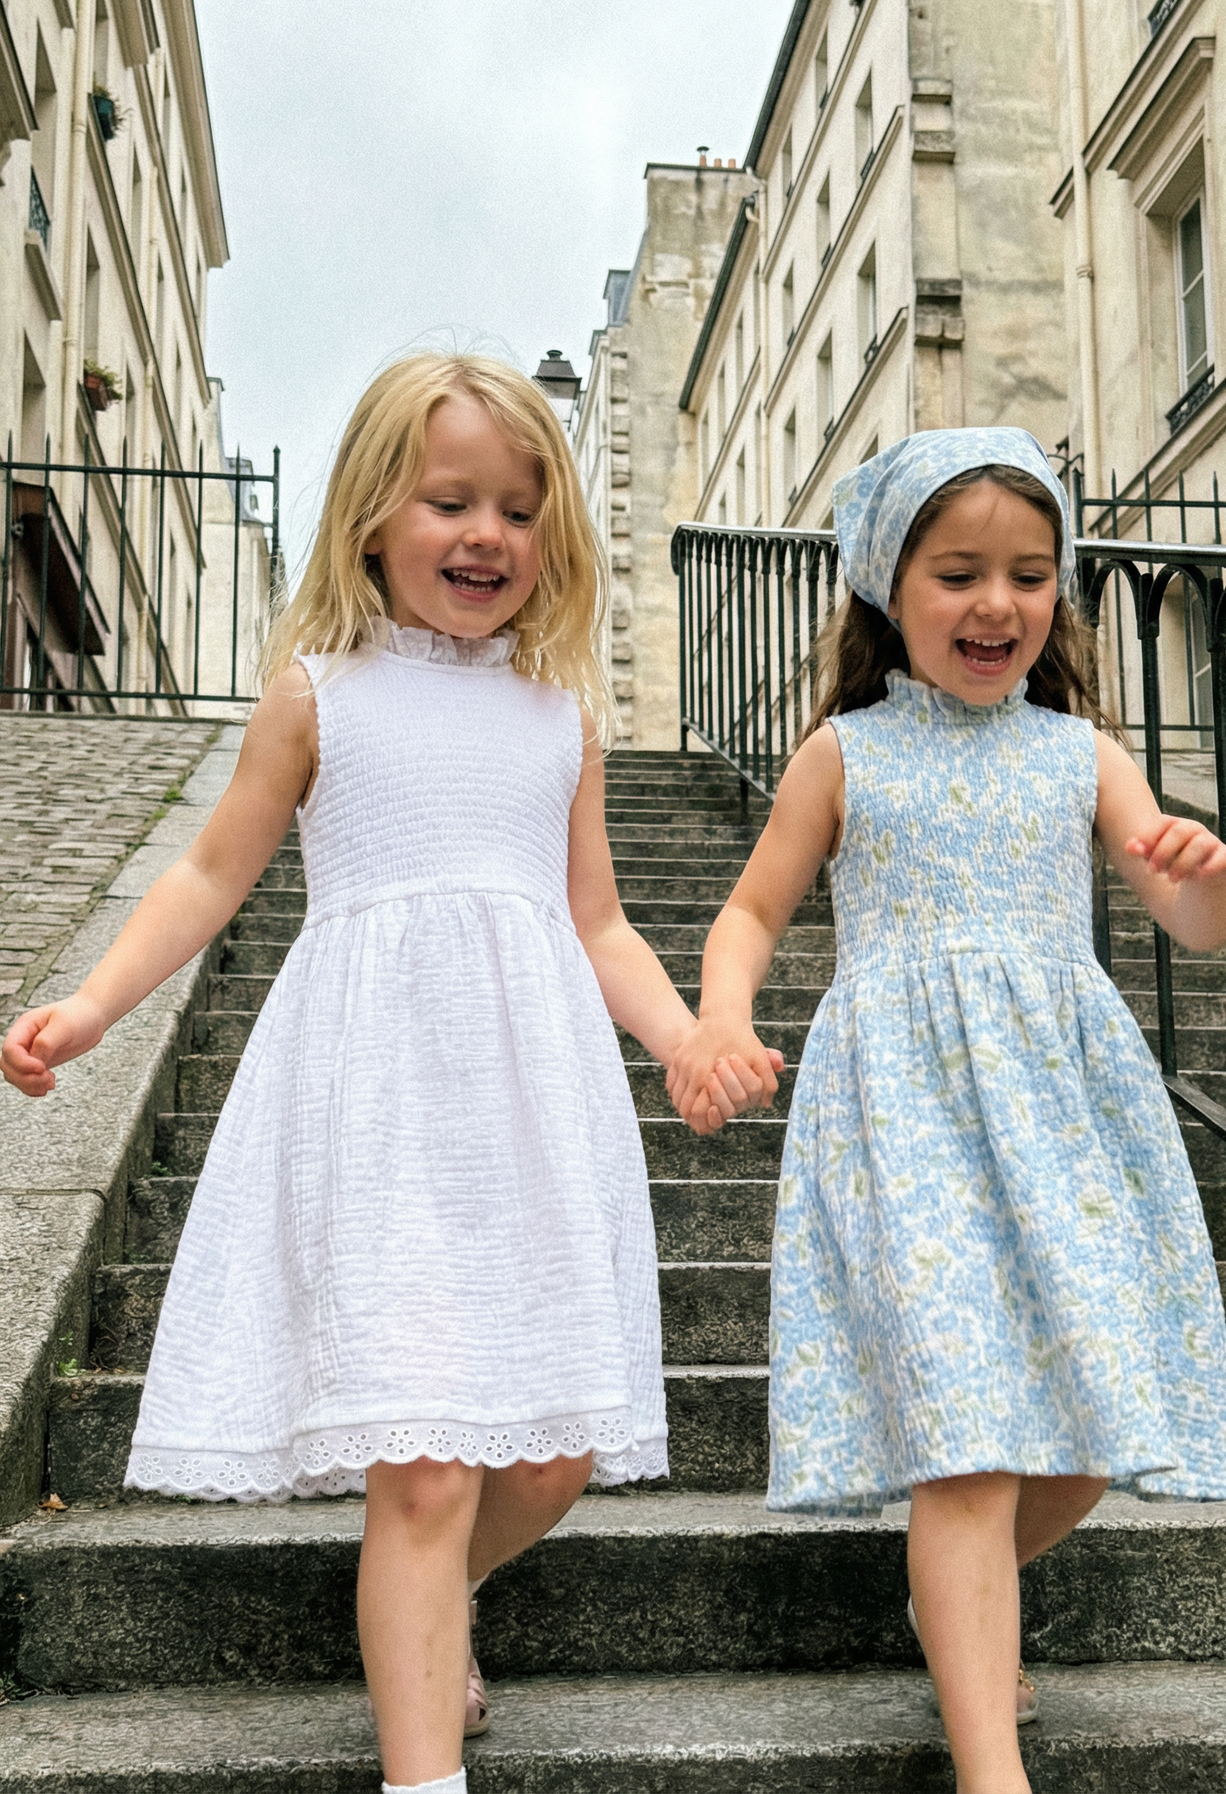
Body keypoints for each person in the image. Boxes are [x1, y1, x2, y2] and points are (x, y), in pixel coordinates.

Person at [2, 353, 727, 1794]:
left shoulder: (561, 715)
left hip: (529, 1116)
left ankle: (433, 1601)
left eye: (521, 509)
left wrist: (687, 1035)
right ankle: (422, 1766)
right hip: (381, 1107)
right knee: (430, 1470)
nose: (488, 534)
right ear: (371, 517)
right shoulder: (318, 695)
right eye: (451, 501)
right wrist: (90, 1003)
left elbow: (597, 921)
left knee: (553, 1458)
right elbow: (208, 874)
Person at [666, 429, 1226, 1794]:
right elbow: (749, 912)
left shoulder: (1080, 753)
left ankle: (955, 1600)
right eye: (959, 574)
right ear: (889, 587)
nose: (998, 603)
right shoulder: (844, 754)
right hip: (905, 1121)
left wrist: (1207, 875)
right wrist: (721, 1018)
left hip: (1060, 1118)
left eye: (1030, 575)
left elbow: (1192, 920)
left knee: (1088, 1440)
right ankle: (992, 1766)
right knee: (968, 1447)